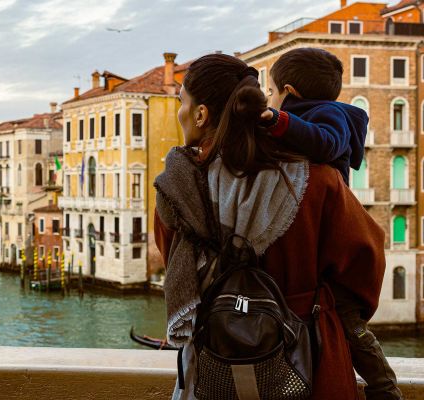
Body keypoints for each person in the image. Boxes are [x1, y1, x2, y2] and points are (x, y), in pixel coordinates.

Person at [154, 53, 386, 399]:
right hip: (313, 359)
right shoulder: (320, 180)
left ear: (200, 114)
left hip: (213, 362)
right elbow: (366, 261)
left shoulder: (175, 189)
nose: (180, 112)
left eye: (181, 102)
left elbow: (169, 254)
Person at [261, 47, 401, 399]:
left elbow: (325, 144)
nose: (270, 100)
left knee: (351, 326)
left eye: (272, 93)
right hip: (319, 245)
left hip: (332, 251)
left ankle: (385, 389)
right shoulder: (304, 124)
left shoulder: (331, 116)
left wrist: (275, 121)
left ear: (289, 93)